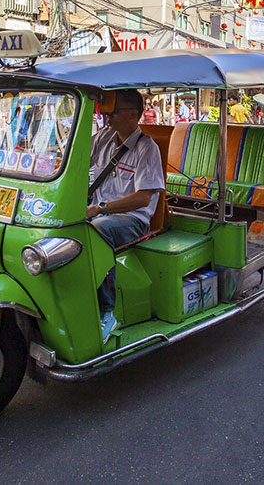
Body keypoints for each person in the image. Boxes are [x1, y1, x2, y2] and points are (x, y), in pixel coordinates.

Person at [87, 89, 165, 342]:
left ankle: (106, 311)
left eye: (114, 111)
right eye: (106, 110)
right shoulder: (102, 139)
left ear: (133, 114)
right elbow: (74, 163)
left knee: (97, 230)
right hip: (99, 213)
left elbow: (143, 198)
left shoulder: (147, 148)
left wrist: (101, 208)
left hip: (133, 220)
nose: (107, 116)